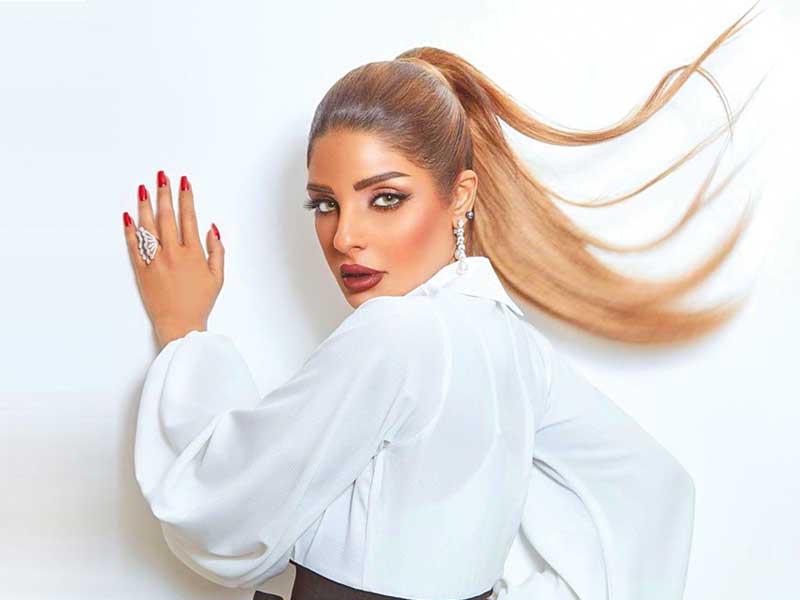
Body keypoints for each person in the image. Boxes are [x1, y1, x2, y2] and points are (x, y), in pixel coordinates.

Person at [123, 5, 763, 599]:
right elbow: (653, 492)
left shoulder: (393, 334)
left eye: (385, 199)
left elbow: (222, 510)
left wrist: (183, 330)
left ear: (459, 197)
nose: (344, 237)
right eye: (325, 204)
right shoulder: (514, 345)